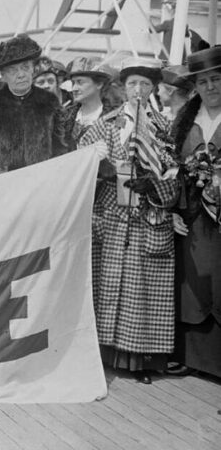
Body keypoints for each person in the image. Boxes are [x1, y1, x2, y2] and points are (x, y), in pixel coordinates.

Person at [79, 57, 179, 384]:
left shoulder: (165, 127)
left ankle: (142, 363)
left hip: (148, 217)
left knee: (142, 290)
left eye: (145, 85)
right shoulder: (107, 123)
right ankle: (106, 355)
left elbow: (176, 174)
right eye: (133, 83)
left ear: (153, 89)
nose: (138, 90)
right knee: (109, 285)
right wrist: (103, 171)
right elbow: (81, 156)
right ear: (123, 87)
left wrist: (155, 184)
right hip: (112, 217)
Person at [169, 46, 221, 379]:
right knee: (193, 282)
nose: (211, 87)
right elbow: (170, 168)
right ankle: (192, 357)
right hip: (192, 216)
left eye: (217, 79)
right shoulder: (186, 120)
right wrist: (173, 209)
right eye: (203, 82)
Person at [0, 34, 69, 172]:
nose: (21, 74)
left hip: (43, 181)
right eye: (13, 70)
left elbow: (60, 149)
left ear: (32, 69)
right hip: (5, 185)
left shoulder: (50, 104)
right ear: (3, 76)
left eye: (25, 67)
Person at [63, 57, 115, 148]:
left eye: (80, 82)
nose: (74, 88)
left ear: (99, 84)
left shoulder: (114, 118)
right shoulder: (64, 116)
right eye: (73, 83)